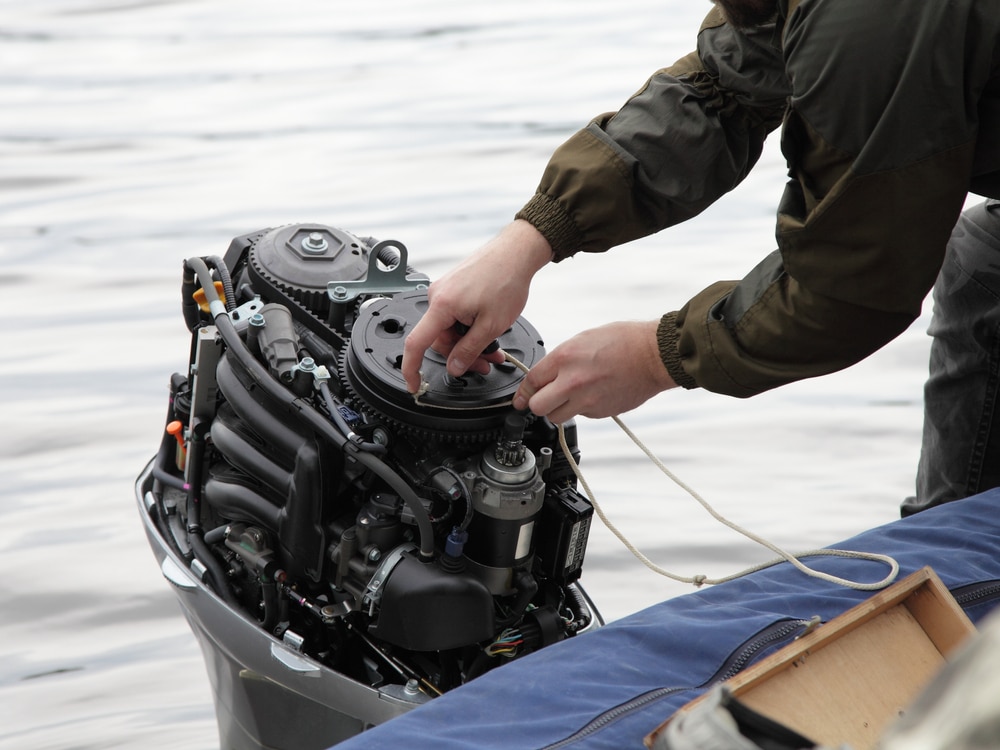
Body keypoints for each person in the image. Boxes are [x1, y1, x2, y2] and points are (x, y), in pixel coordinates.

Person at [401, 0, 1000, 512]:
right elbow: (726, 90)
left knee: (980, 263)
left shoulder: (871, 21)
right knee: (980, 263)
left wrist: (654, 357)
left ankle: (965, 590)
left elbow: (853, 282)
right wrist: (531, 237)